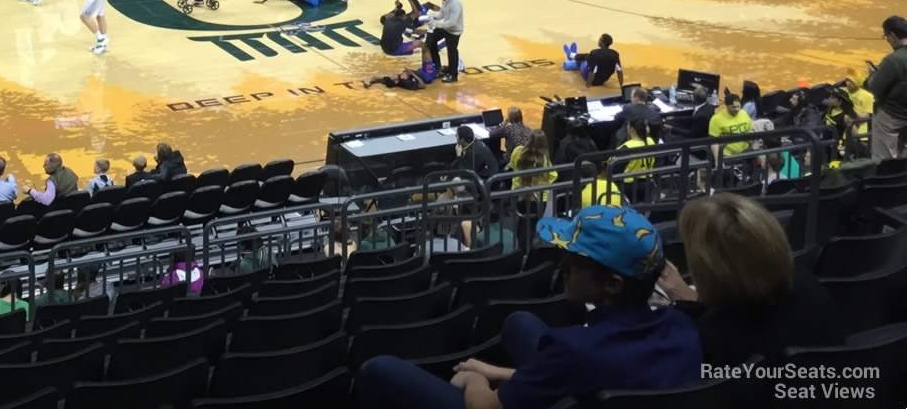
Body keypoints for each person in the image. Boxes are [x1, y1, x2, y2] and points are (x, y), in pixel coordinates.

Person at [353, 205, 701, 409]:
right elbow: (588, 372)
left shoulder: (573, 349)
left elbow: (487, 408)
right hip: (597, 378)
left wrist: (477, 380)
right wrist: (504, 373)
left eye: (573, 262)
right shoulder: (682, 326)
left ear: (612, 284)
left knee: (378, 368)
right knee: (520, 321)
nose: (560, 266)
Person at [657, 194, 843, 363]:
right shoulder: (808, 285)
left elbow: (736, 324)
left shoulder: (710, 341)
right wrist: (693, 301)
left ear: (707, 269)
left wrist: (692, 309)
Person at [863, 15, 907, 161]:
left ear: (893, 35)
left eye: (886, 35)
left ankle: (887, 183)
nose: (887, 39)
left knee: (884, 160)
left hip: (891, 115)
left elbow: (875, 88)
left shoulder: (893, 59)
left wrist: (872, 75)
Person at [427, 0, 464, 83]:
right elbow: (442, 14)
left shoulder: (455, 4)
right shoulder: (445, 0)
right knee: (431, 40)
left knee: (452, 51)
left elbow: (452, 22)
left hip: (454, 31)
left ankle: (453, 75)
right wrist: (432, 16)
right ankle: (437, 66)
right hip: (446, 28)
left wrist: (435, 24)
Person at [708, 92, 755, 168]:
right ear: (727, 106)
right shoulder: (716, 119)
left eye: (738, 106)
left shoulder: (744, 113)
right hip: (727, 156)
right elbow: (714, 142)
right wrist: (718, 160)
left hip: (745, 153)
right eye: (733, 107)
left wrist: (751, 137)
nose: (736, 109)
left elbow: (750, 129)